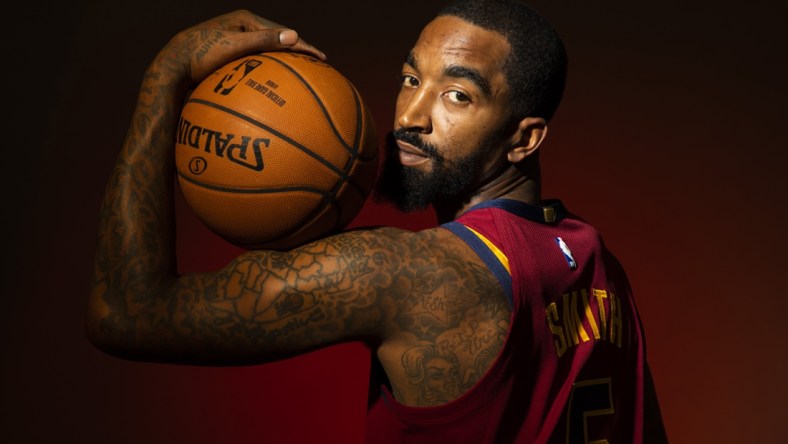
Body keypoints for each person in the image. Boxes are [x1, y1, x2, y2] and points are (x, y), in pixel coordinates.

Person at [87, 1, 668, 442]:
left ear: (525, 138)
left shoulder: (410, 272)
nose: (411, 116)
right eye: (412, 80)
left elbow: (125, 311)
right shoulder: (595, 260)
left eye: (458, 95)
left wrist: (165, 77)